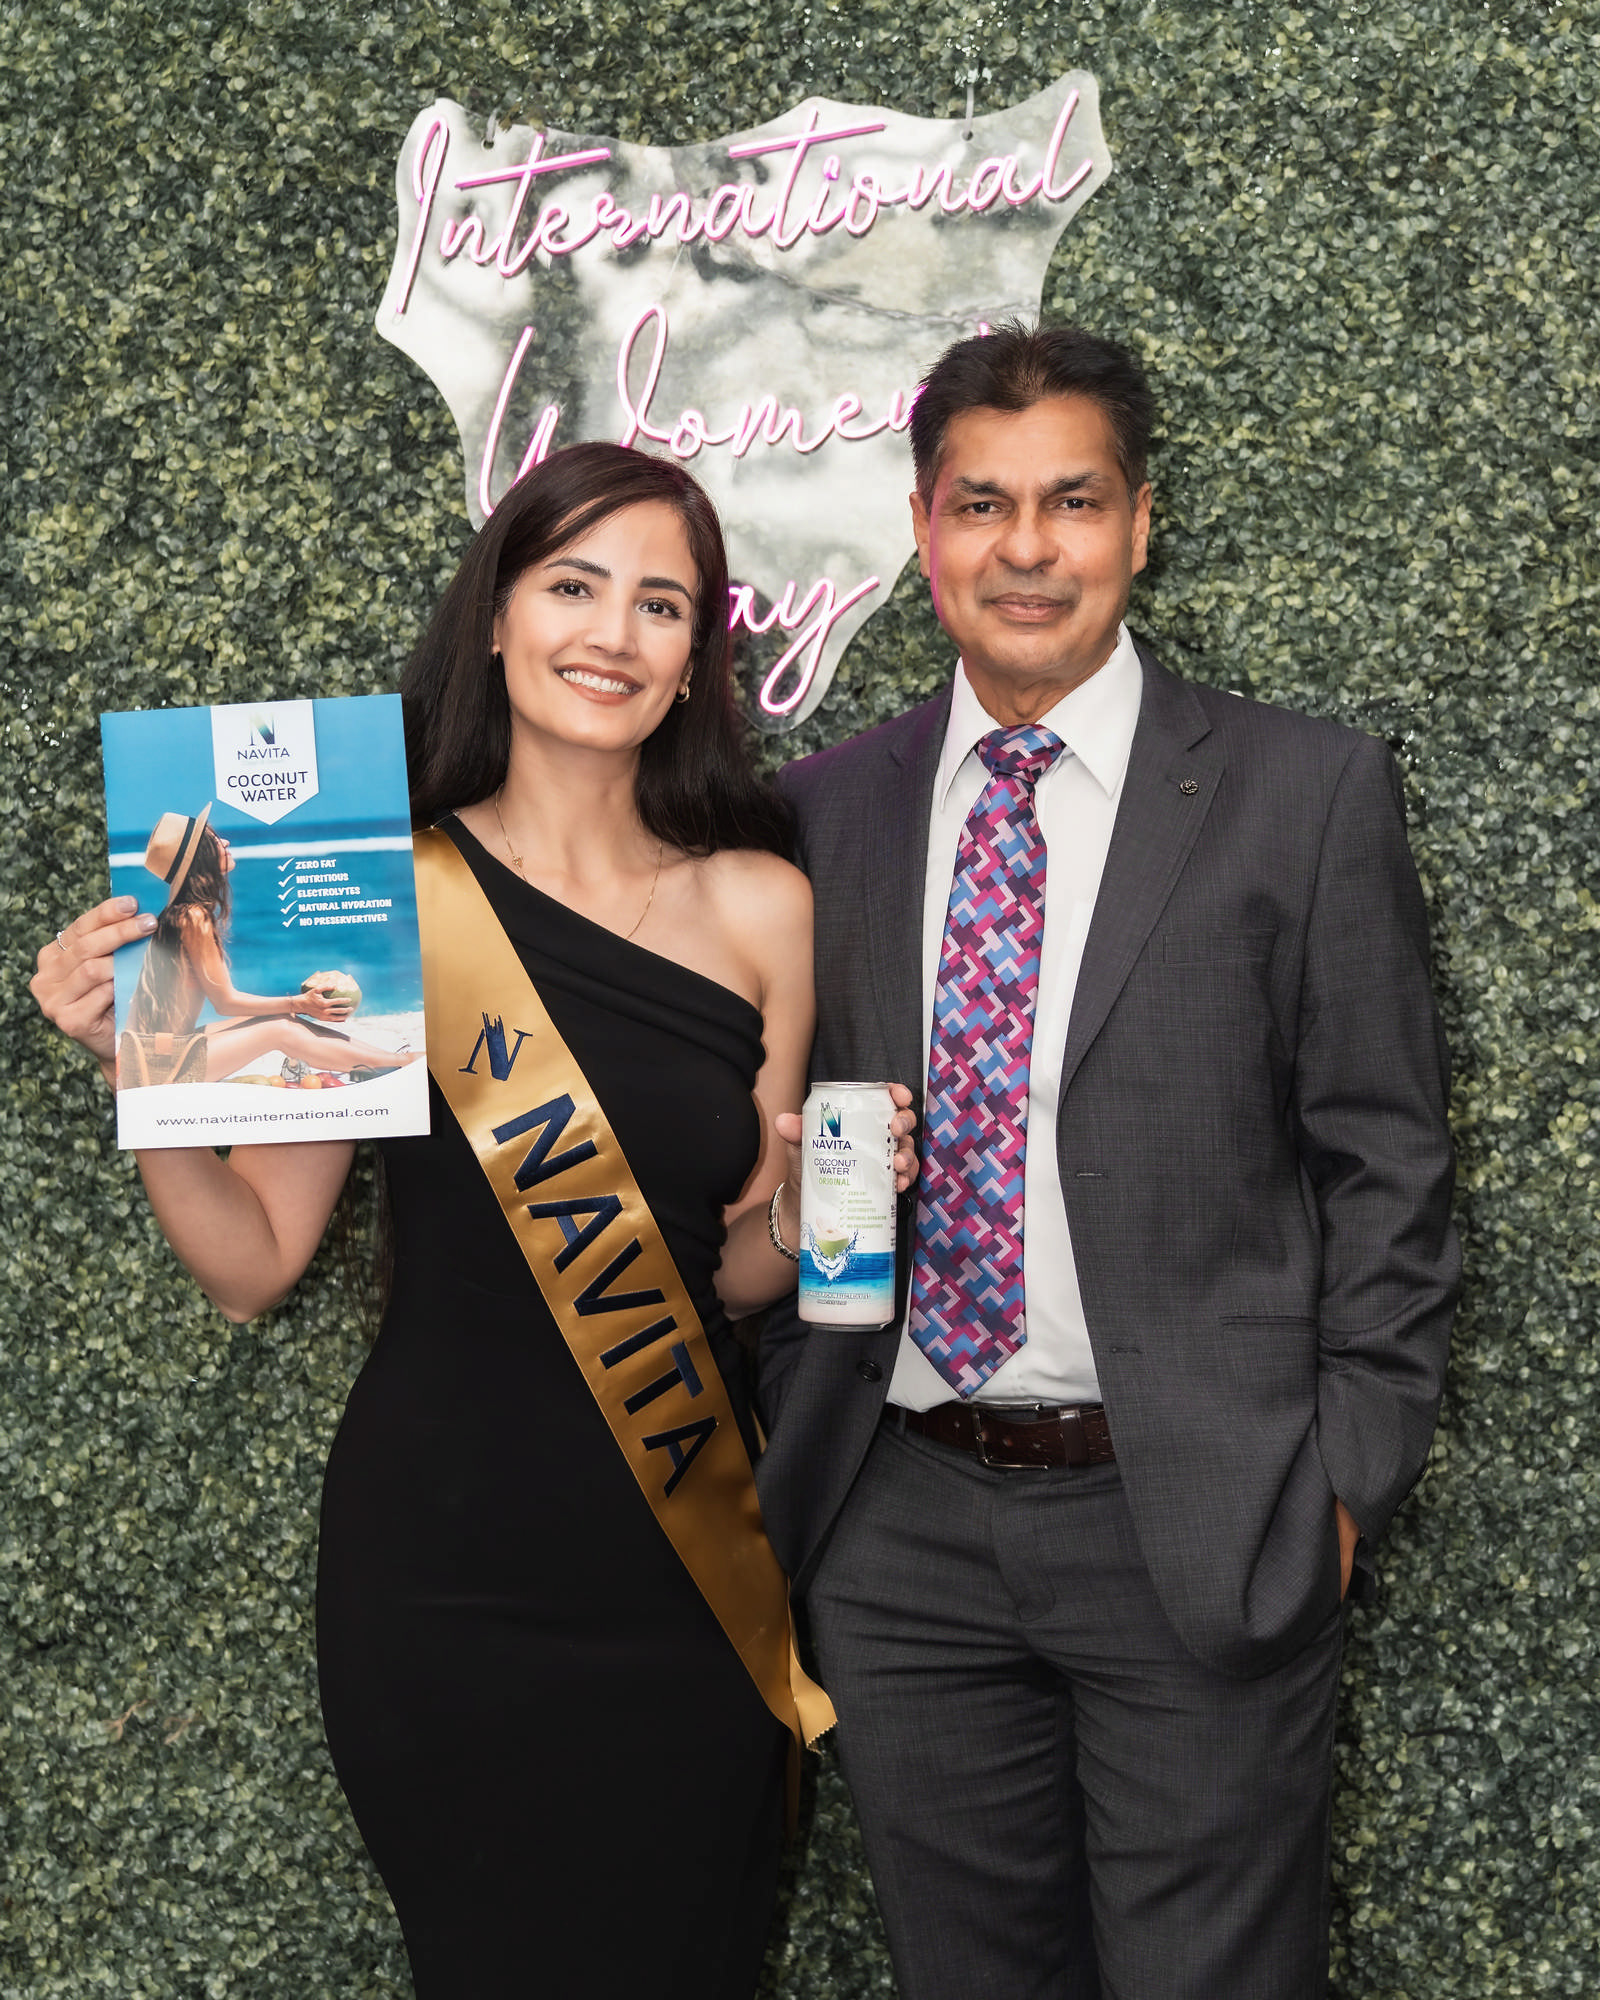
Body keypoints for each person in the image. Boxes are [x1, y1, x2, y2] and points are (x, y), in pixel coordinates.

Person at [31, 442, 914, 2000]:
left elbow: (731, 1270)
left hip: (686, 1568)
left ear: (695, 656)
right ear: (497, 615)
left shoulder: (759, 906)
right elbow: (252, 1263)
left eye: (662, 605)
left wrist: (831, 1198)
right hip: (442, 1580)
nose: (614, 633)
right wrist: (138, 1073)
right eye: (574, 585)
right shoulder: (374, 889)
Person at [756, 324, 1460, 1998]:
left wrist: (1338, 1490)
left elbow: (1388, 1163)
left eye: (1071, 502)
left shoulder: (1303, 792)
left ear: (1140, 523)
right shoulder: (820, 813)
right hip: (900, 1526)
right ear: (922, 529)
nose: (1027, 549)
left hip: (1198, 1521)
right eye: (981, 505)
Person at [115, 803, 412, 1086]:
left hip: (155, 1053)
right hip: (157, 1065)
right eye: (215, 840)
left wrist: (295, 1006)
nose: (226, 842)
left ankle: (391, 1060)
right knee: (279, 1029)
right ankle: (400, 1064)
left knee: (280, 1017)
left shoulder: (178, 913)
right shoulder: (192, 917)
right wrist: (299, 1003)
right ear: (199, 857)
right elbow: (225, 1003)